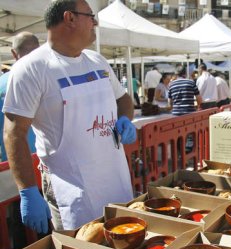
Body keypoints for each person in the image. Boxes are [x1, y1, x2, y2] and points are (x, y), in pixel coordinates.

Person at [3, 0, 137, 233]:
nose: (95, 22)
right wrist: (27, 190)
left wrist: (125, 118)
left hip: (115, 180)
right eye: (90, 16)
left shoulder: (97, 61)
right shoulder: (31, 68)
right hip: (72, 188)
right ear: (70, 18)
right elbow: (14, 133)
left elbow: (123, 100)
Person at [0, 32, 39, 161]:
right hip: (49, 160)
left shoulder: (2, 83)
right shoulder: (49, 77)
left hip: (13, 162)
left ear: (13, 53)